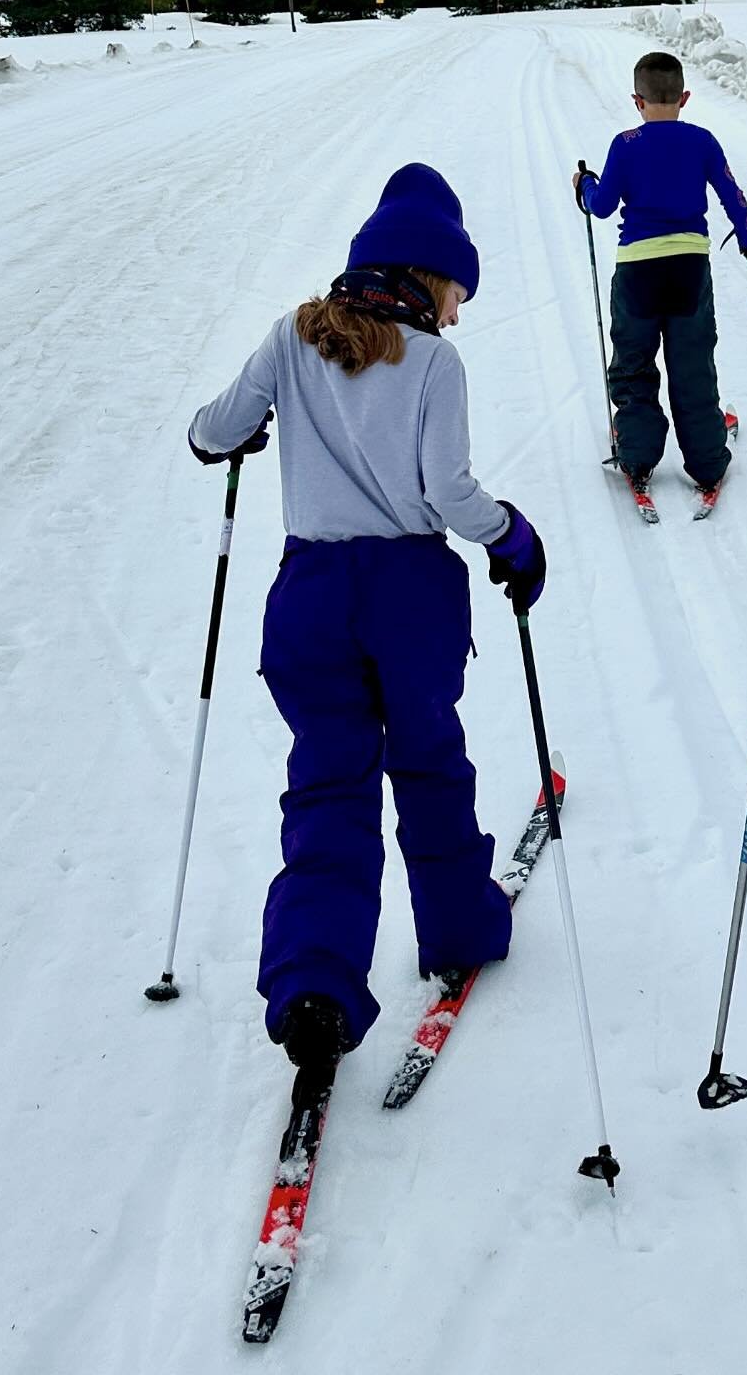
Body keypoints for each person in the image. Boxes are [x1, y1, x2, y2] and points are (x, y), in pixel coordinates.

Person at [186, 163, 547, 1085]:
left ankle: (313, 981)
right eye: (459, 290)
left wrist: (241, 433)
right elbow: (445, 492)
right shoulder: (434, 361)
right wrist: (510, 537)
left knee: (327, 785)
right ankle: (460, 926)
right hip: (409, 595)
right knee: (427, 761)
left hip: (309, 597)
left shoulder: (288, 337)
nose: (460, 312)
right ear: (432, 275)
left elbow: (214, 429)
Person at [575, 50, 747, 499]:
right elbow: (731, 193)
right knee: (692, 364)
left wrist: (585, 186)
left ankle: (636, 455)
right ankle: (708, 460)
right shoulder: (702, 141)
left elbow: (600, 207)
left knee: (634, 363)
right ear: (685, 97)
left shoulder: (626, 144)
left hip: (637, 269)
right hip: (690, 269)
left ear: (637, 100)